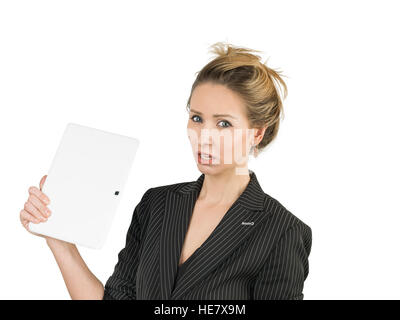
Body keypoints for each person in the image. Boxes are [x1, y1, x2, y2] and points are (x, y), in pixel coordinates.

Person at [19, 42, 312, 300]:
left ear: (256, 134)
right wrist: (58, 239)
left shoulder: (282, 232)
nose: (204, 135)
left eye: (224, 123)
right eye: (197, 118)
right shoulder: (156, 204)